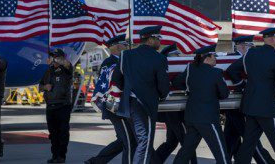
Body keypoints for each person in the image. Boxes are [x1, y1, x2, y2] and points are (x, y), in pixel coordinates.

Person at [235, 27, 275, 164]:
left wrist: (243, 86)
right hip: (267, 108)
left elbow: (232, 70)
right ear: (273, 38)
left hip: (250, 106)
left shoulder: (250, 53)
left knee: (248, 144)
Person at [116, 26, 170, 164]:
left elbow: (116, 80)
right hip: (145, 105)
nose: (160, 42)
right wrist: (161, 96)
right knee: (145, 141)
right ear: (151, 40)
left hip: (128, 105)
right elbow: (163, 85)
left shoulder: (125, 55)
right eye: (158, 38)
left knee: (140, 140)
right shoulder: (159, 59)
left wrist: (130, 90)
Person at [172, 44, 230, 164]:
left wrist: (189, 88)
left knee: (186, 152)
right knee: (221, 153)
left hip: (192, 117)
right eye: (214, 56)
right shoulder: (216, 73)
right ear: (206, 57)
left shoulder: (190, 69)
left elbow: (177, 82)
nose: (216, 58)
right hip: (208, 119)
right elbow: (224, 94)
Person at [225, 35, 275, 164]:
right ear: (242, 46)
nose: (252, 49)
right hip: (239, 104)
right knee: (250, 140)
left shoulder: (239, 57)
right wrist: (243, 85)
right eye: (250, 46)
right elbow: (231, 71)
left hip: (236, 105)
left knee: (231, 139)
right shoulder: (237, 58)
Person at [85, 35, 135, 164]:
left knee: (123, 140)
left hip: (123, 105)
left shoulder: (123, 60)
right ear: (118, 46)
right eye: (125, 44)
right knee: (129, 141)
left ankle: (96, 162)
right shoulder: (111, 62)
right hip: (116, 106)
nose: (127, 47)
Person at [155, 44, 198, 164]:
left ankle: (154, 161)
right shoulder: (168, 68)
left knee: (172, 142)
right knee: (187, 142)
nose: (179, 57)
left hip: (174, 109)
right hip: (175, 111)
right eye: (176, 55)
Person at [39, 49, 73, 163]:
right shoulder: (48, 70)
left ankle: (61, 156)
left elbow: (67, 64)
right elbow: (40, 86)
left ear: (61, 58)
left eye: (56, 57)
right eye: (52, 57)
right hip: (50, 106)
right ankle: (54, 155)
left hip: (63, 105)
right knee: (53, 133)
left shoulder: (66, 69)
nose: (53, 59)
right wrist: (45, 87)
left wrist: (57, 59)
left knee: (62, 132)